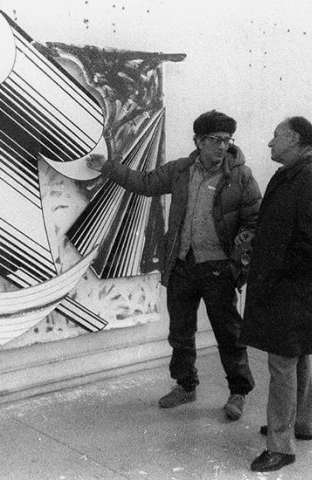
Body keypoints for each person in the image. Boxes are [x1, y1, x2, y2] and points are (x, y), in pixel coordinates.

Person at [87, 110, 261, 420]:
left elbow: (254, 219)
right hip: (182, 265)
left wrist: (238, 257)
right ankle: (185, 386)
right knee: (180, 332)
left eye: (226, 140)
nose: (222, 146)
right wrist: (108, 167)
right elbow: (144, 183)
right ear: (198, 141)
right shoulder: (181, 170)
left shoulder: (241, 176)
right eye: (214, 140)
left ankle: (238, 392)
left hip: (218, 269)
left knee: (229, 333)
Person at [241, 117, 312, 472]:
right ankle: (301, 424)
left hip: (291, 290)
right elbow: (283, 228)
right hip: (287, 288)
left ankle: (280, 446)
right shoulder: (289, 175)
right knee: (296, 357)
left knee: (282, 364)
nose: (270, 143)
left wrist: (278, 273)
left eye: (276, 136)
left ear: (294, 138)